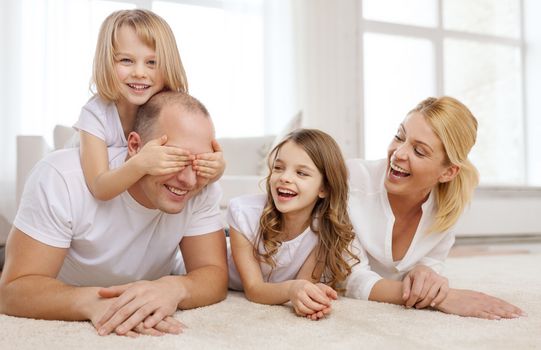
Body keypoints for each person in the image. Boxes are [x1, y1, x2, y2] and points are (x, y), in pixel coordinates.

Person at [0, 91, 228, 337]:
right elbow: (12, 291)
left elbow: (213, 273)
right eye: (174, 159)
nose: (188, 179)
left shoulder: (201, 187)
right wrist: (90, 301)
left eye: (200, 164)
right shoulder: (60, 177)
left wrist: (175, 288)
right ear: (134, 146)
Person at [345, 96, 525, 320]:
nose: (399, 153)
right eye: (399, 137)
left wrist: (424, 271)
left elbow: (432, 261)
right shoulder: (351, 183)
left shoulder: (447, 204)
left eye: (419, 151)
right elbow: (349, 278)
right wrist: (440, 298)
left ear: (448, 172)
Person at [75, 9, 224, 201]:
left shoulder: (170, 111)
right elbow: (99, 187)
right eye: (126, 60)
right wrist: (141, 163)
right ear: (107, 63)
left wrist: (217, 169)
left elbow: (192, 164)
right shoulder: (96, 114)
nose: (139, 72)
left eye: (152, 62)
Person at [228, 129, 359, 320]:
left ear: (324, 188)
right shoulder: (243, 213)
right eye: (279, 168)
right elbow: (254, 290)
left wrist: (310, 295)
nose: (285, 177)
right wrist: (293, 289)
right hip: (212, 271)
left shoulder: (324, 229)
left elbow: (301, 285)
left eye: (301, 173)